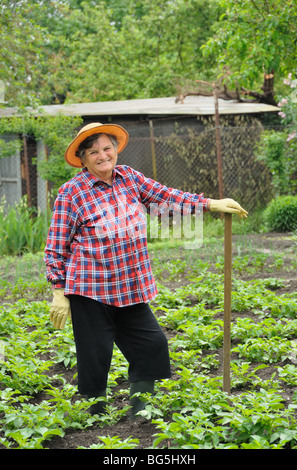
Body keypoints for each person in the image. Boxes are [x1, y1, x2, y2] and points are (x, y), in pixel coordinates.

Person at [44, 122, 247, 419]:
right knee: (95, 354)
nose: (102, 156)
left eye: (107, 148)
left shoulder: (130, 178)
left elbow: (168, 197)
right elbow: (55, 246)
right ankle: (94, 413)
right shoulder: (71, 193)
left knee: (152, 343)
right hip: (90, 289)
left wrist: (212, 203)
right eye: (93, 152)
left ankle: (140, 409)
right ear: (83, 158)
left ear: (115, 150)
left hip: (130, 285)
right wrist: (58, 290)